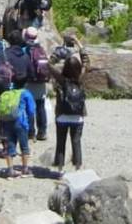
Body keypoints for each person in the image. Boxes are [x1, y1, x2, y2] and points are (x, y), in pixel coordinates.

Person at [0, 62, 35, 178]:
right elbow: (31, 111)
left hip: (6, 122)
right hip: (21, 123)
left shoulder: (5, 93)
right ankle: (25, 169)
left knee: (10, 146)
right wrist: (32, 128)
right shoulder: (25, 93)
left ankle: (10, 170)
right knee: (24, 146)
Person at [8, 25, 50, 140]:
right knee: (41, 107)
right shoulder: (41, 49)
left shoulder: (24, 50)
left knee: (29, 107)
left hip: (29, 82)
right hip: (41, 81)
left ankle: (30, 132)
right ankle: (42, 131)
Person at [51, 43, 87, 171]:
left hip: (62, 116)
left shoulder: (61, 79)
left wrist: (57, 55)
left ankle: (60, 169)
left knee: (61, 143)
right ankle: (78, 167)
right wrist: (78, 43)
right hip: (78, 117)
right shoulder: (80, 78)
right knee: (76, 142)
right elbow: (86, 62)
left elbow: (48, 65)